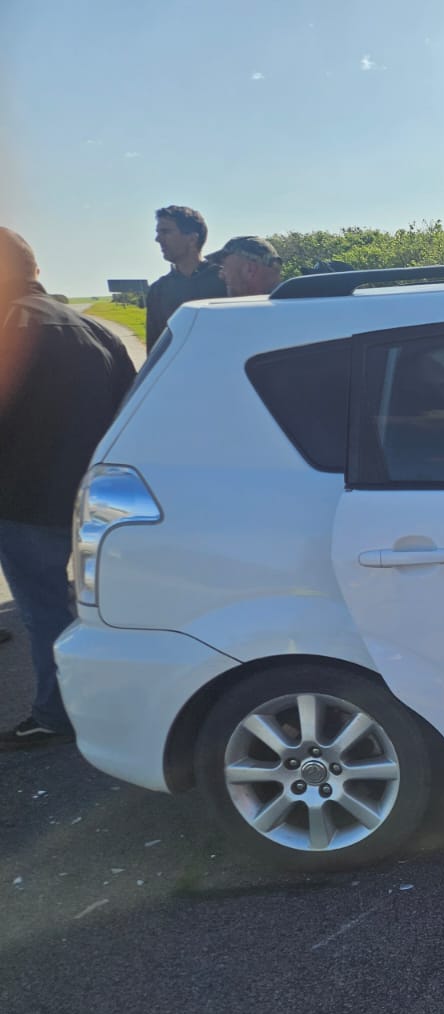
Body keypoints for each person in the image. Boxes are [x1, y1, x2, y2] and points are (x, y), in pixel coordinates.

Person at [0, 229, 135, 749]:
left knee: (47, 612)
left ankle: (57, 713)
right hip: (97, 496)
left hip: (26, 498)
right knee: (101, 606)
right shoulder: (96, 330)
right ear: (35, 269)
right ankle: (115, 697)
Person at [146, 205, 227, 347]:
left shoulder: (224, 280)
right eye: (158, 232)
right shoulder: (158, 290)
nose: (158, 239)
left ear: (192, 238)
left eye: (166, 232)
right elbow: (154, 350)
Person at [209, 236, 283, 297]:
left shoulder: (243, 312)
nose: (221, 275)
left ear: (249, 270)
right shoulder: (290, 307)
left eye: (224, 267)